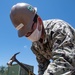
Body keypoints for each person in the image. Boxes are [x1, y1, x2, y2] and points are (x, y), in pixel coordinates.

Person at [10, 2, 75, 75]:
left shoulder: (59, 29)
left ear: (39, 21)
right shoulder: (35, 46)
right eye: (24, 33)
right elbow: (42, 66)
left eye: (28, 30)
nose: (28, 35)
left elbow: (64, 62)